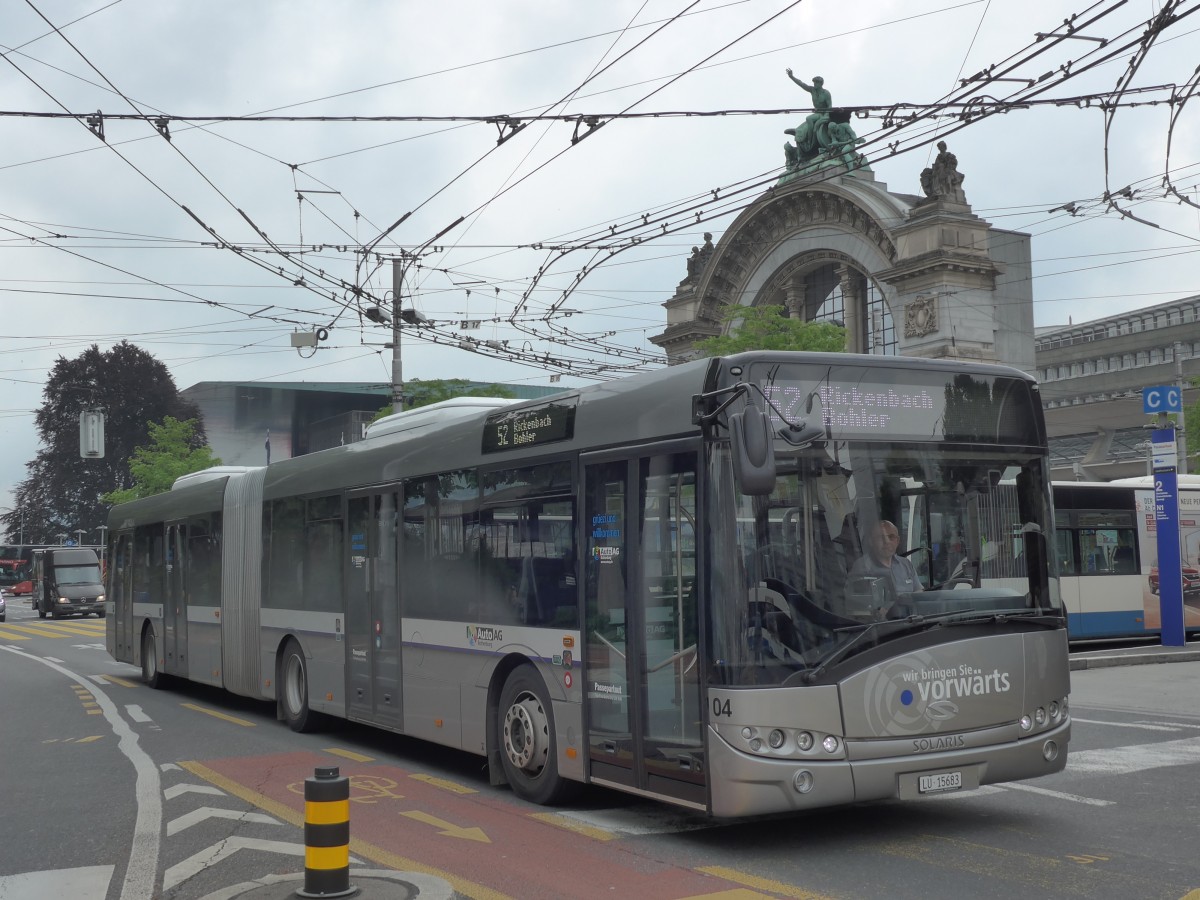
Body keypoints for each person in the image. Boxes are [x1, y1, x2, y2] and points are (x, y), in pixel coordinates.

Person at [849, 520, 924, 594]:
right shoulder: (863, 566)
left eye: (891, 537)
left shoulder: (906, 564)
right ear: (871, 541)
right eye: (881, 537)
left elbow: (919, 591)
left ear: (897, 541)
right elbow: (857, 601)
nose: (887, 542)